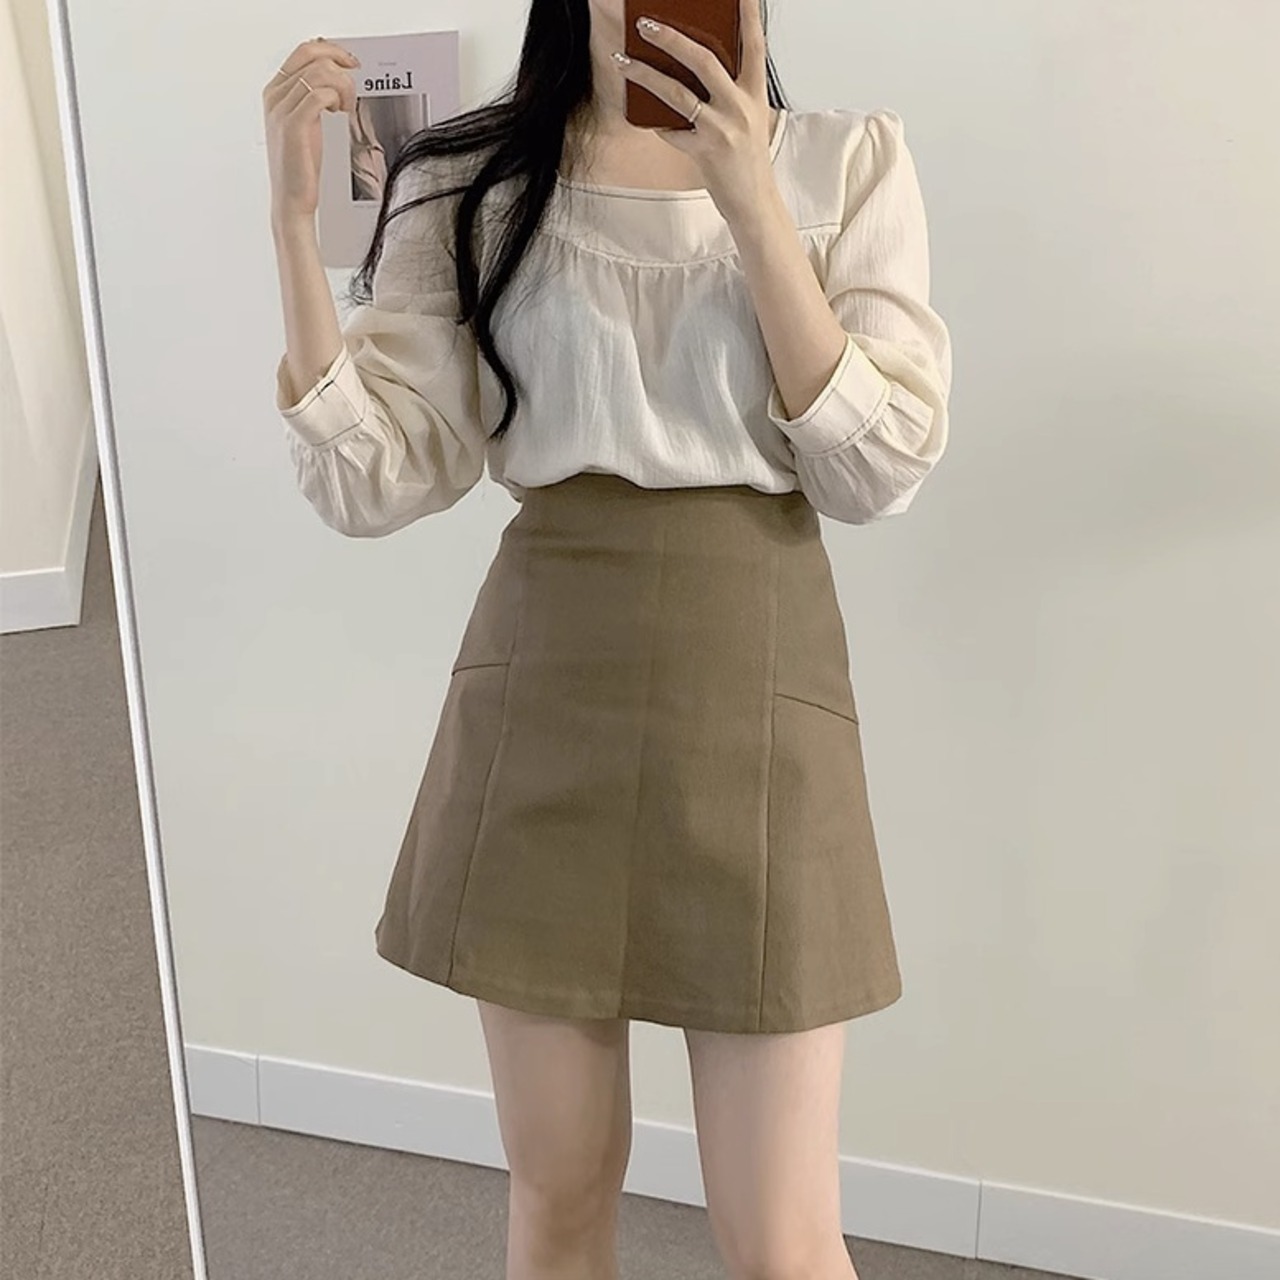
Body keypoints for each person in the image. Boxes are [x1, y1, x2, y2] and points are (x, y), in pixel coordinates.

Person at [261, 2, 951, 1276]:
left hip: (761, 691)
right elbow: (378, 477)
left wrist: (748, 201)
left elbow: (879, 467)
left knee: (783, 1239)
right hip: (544, 692)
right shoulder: (467, 178)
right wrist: (294, 232)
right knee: (560, 1194)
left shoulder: (842, 163)